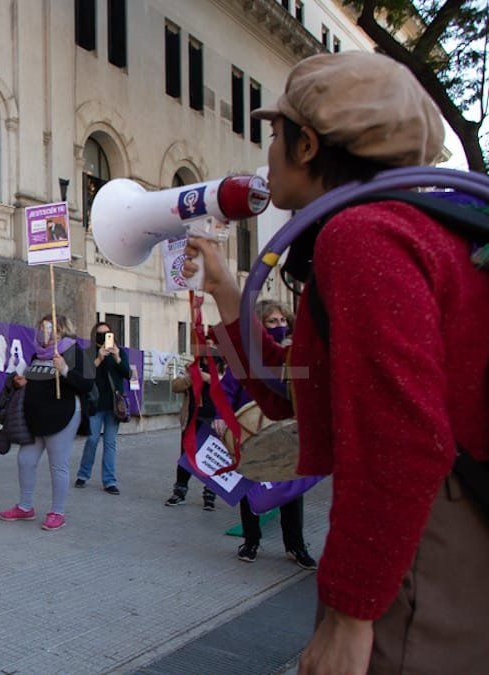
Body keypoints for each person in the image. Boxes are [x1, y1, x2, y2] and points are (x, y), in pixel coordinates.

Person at [182, 52, 488, 673]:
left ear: (307, 146)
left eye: (275, 133)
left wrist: (350, 615)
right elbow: (294, 392)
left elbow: (402, 439)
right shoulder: (424, 231)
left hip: (424, 543)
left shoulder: (362, 237)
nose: (265, 151)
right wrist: (223, 286)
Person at [217, 302, 315, 569]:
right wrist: (221, 419)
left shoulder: (295, 355)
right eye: (272, 321)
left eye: (283, 320)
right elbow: (226, 392)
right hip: (253, 436)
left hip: (286, 435)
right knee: (250, 489)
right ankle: (251, 541)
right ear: (260, 325)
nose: (279, 325)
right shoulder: (245, 358)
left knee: (291, 492)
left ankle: (295, 545)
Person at [0, 315, 95, 531]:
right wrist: (23, 382)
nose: (43, 332)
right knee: (25, 460)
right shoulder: (37, 355)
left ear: (60, 330)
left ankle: (57, 512)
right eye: (40, 328)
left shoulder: (73, 351)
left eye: (48, 328)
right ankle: (25, 506)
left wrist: (65, 370)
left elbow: (87, 384)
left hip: (63, 415)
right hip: (37, 418)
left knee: (57, 464)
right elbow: (38, 383)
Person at [75, 322, 130, 494]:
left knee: (110, 443)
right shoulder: (89, 352)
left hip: (113, 405)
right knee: (92, 440)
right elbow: (85, 375)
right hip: (95, 404)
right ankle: (83, 474)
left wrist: (117, 357)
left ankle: (109, 481)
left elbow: (128, 373)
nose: (104, 337)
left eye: (107, 334)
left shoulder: (119, 351)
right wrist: (98, 359)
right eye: (100, 334)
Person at [166, 352, 221, 511]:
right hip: (192, 421)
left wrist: (208, 378)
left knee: (213, 459)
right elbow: (176, 386)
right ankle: (180, 492)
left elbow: (229, 387)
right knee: (186, 457)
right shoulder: (191, 367)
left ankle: (210, 496)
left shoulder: (224, 366)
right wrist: (192, 377)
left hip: (215, 422)